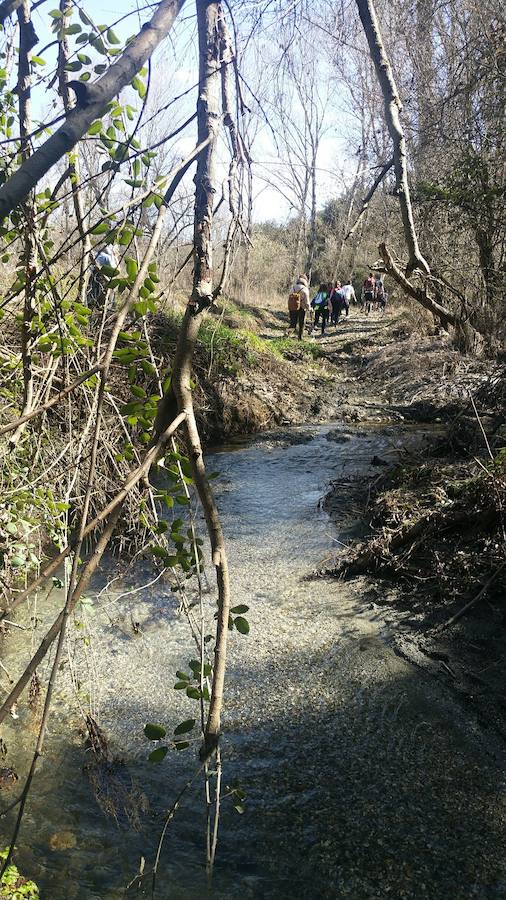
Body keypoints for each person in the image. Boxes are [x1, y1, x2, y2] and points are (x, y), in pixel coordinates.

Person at [288, 274, 310, 340]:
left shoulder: (293, 287)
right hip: (302, 308)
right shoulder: (305, 289)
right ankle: (300, 337)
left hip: (293, 307)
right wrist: (309, 308)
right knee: (301, 323)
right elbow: (307, 301)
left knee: (293, 323)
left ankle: (287, 334)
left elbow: (290, 297)